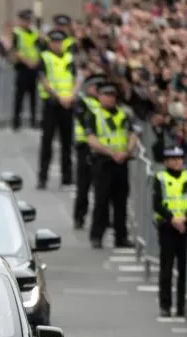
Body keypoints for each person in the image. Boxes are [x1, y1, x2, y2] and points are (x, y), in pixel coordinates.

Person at [84, 83, 136, 249]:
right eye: (106, 95)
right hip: (103, 162)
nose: (110, 98)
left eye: (112, 95)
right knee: (101, 200)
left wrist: (127, 151)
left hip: (121, 162)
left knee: (121, 202)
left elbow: (132, 134)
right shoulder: (93, 114)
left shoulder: (124, 114)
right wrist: (111, 153)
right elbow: (91, 139)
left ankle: (121, 237)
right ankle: (96, 236)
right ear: (100, 97)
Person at [153, 147, 187, 317]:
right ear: (166, 161)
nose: (177, 162)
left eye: (179, 158)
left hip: (185, 228)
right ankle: (165, 305)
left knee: (185, 269)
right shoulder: (160, 178)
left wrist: (185, 218)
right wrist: (173, 219)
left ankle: (182, 306)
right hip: (167, 226)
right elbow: (157, 203)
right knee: (166, 267)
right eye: (172, 159)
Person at [35, 28, 76, 190]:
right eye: (54, 42)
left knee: (67, 142)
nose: (57, 45)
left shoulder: (69, 58)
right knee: (47, 141)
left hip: (67, 104)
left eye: (59, 42)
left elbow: (74, 79)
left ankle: (67, 178)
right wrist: (58, 97)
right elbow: (43, 79)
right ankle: (42, 178)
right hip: (52, 103)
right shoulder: (45, 58)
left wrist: (71, 96)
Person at [72, 74, 104, 229]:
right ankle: (79, 216)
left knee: (102, 187)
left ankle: (104, 220)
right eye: (93, 87)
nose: (96, 90)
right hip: (85, 146)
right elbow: (83, 120)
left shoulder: (104, 104)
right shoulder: (82, 101)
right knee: (83, 185)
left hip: (101, 148)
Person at [11, 9, 40, 131]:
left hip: (34, 67)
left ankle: (33, 121)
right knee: (19, 96)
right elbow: (16, 50)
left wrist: (36, 62)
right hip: (23, 67)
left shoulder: (36, 33)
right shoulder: (17, 33)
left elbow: (39, 49)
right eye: (25, 20)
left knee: (33, 96)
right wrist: (27, 62)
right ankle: (16, 122)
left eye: (29, 20)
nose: (27, 22)